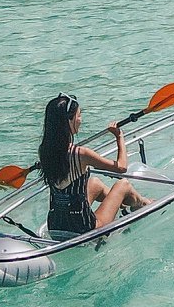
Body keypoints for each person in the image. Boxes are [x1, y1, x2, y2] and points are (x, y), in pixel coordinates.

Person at [37, 94, 146, 235]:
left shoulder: (45, 150)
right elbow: (121, 167)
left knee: (94, 183)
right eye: (78, 115)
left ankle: (123, 205)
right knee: (123, 185)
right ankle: (143, 204)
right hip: (84, 228)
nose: (80, 120)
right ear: (69, 121)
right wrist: (119, 137)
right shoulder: (80, 154)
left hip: (56, 225)